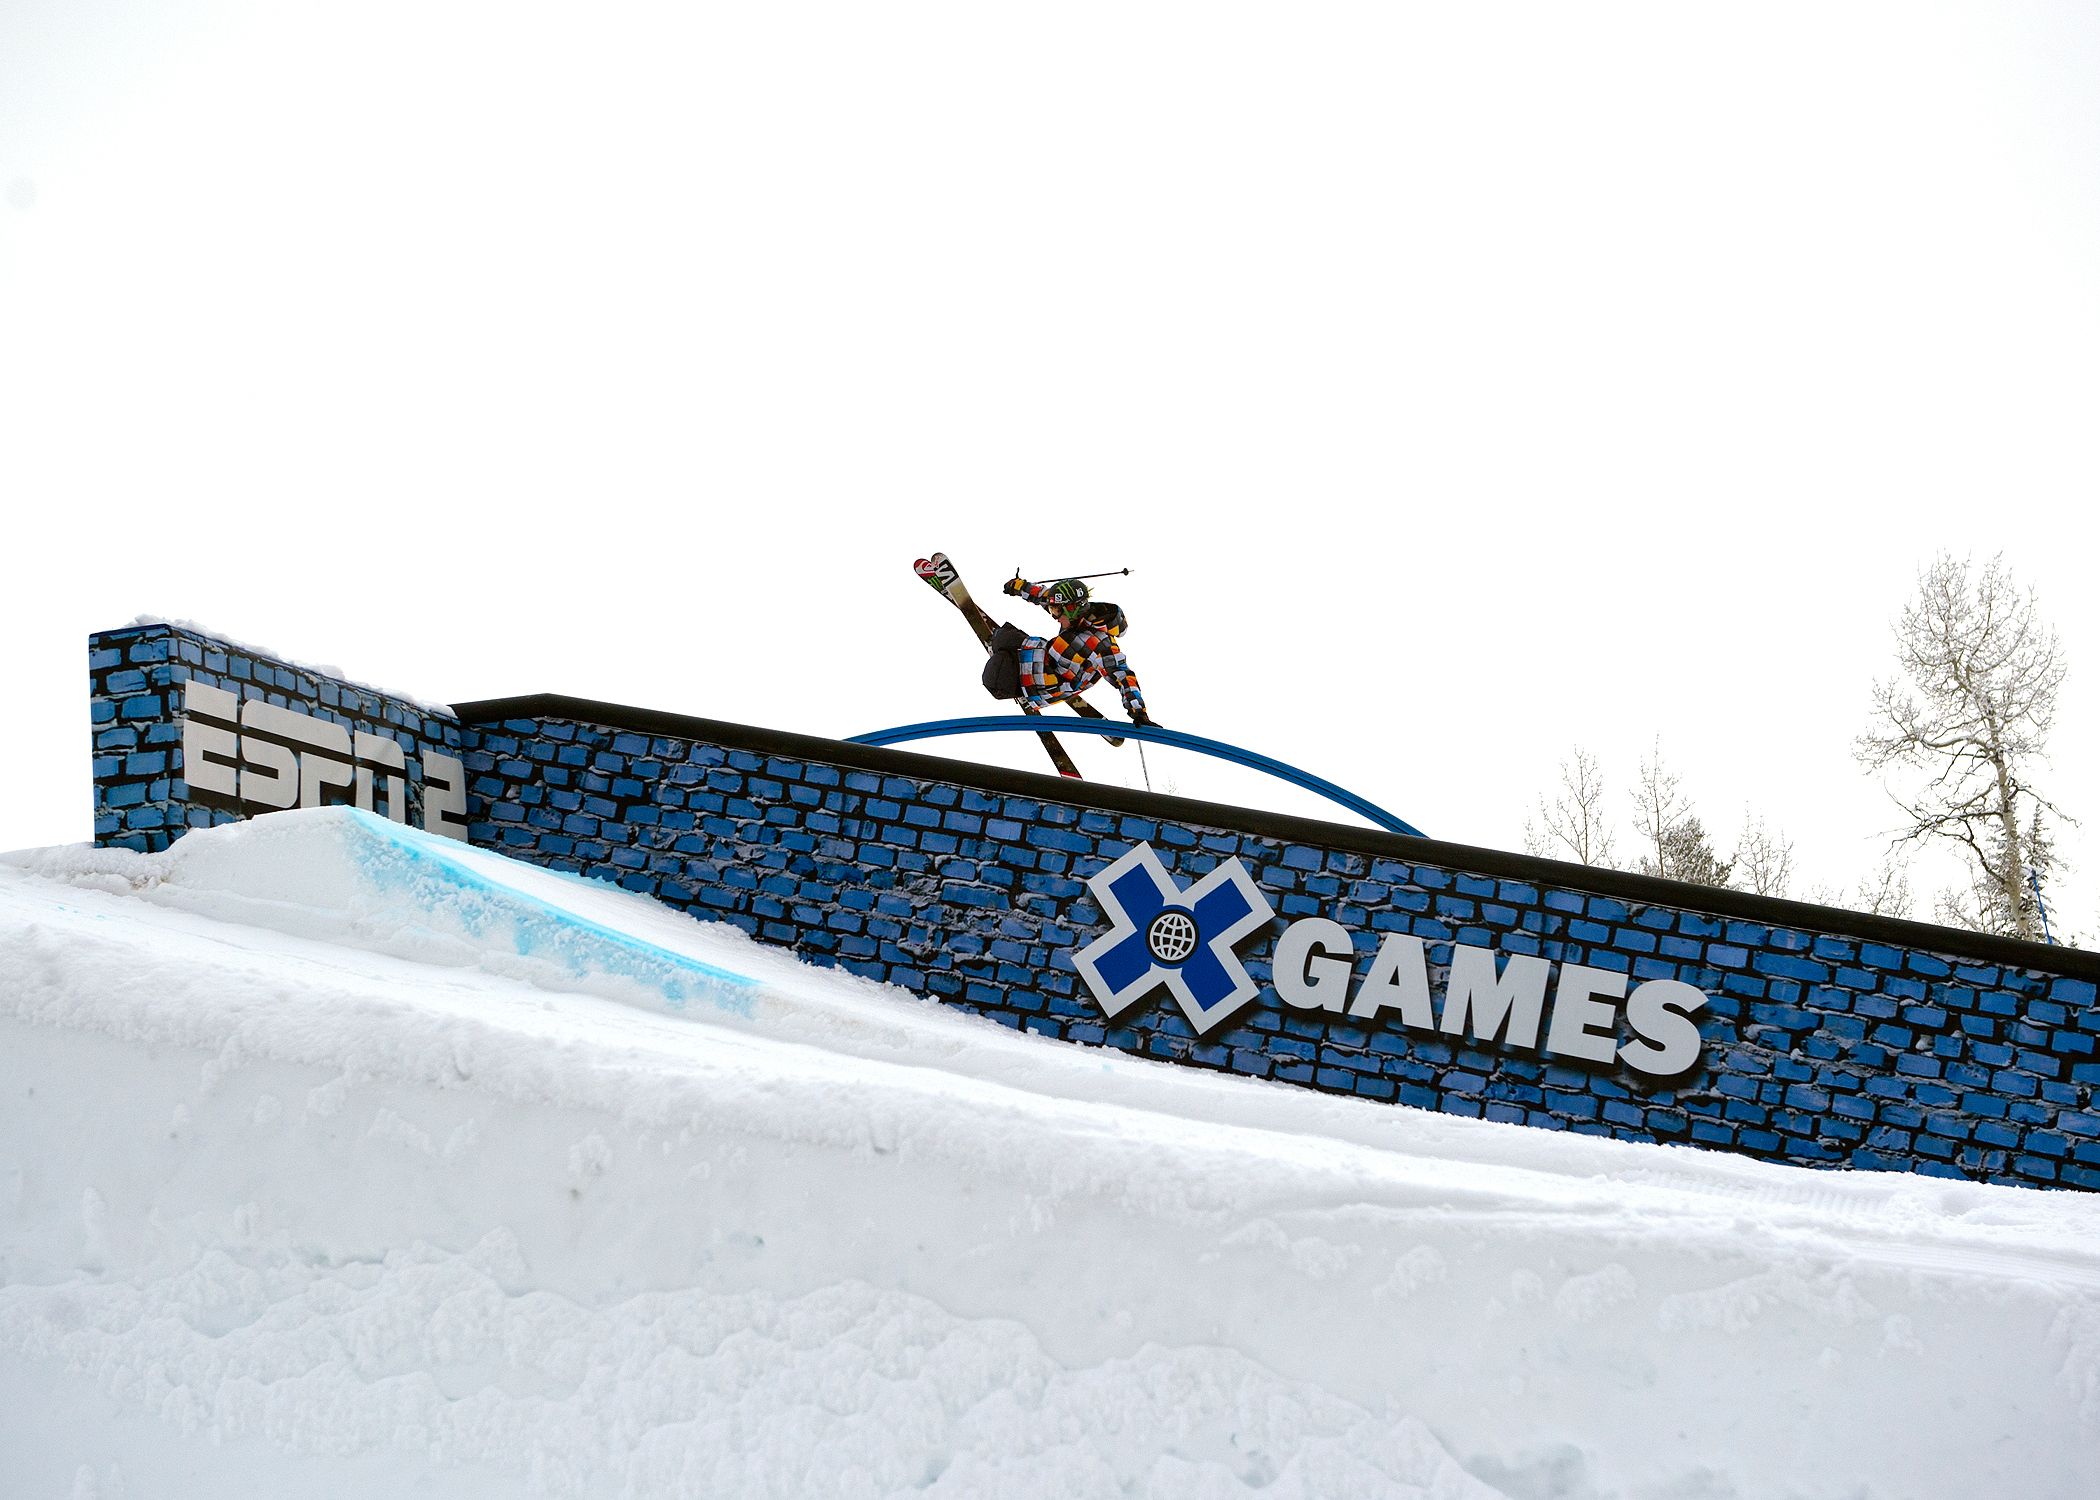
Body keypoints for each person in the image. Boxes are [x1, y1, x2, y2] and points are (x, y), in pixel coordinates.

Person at [1001, 576, 1155, 727]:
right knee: (1006, 637)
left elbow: (1123, 675)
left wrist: (1139, 712)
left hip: (1050, 683)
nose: (1054, 616)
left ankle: (1009, 675)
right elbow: (1042, 595)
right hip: (1047, 663)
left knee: (1001, 654)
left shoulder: (1100, 644)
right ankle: (1006, 661)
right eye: (1051, 609)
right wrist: (1018, 586)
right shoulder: (1072, 616)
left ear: (1071, 610)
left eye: (1055, 611)